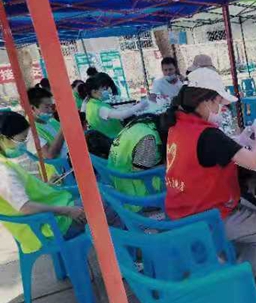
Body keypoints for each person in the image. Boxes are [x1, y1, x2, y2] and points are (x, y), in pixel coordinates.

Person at [162, 67, 256, 276]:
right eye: (219, 102)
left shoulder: (178, 124)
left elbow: (204, 150)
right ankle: (239, 280)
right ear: (205, 101)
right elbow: (254, 161)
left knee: (253, 207)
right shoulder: (209, 135)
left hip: (181, 210)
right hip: (207, 217)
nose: (221, 109)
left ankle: (230, 262)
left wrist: (239, 141)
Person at [0, 111, 87, 253]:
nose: (24, 144)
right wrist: (68, 211)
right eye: (21, 139)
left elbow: (22, 192)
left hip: (51, 218)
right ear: (3, 138)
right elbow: (25, 207)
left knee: (101, 197)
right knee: (105, 206)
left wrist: (46, 186)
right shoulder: (3, 171)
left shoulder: (5, 163)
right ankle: (123, 258)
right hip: (49, 228)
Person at [108, 113, 167, 198]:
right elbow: (140, 172)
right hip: (134, 190)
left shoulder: (141, 124)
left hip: (118, 177)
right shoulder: (148, 139)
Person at [85, 75, 148, 140]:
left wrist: (131, 107)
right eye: (103, 89)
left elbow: (113, 111)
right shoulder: (100, 108)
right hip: (113, 139)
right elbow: (122, 115)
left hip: (104, 138)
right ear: (94, 92)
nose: (107, 91)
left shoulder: (91, 104)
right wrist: (140, 105)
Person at [27, 87, 68, 163]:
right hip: (62, 167)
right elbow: (49, 155)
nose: (50, 110)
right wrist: (63, 128)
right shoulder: (30, 131)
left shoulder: (51, 120)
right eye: (46, 107)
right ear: (32, 108)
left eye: (51, 106)